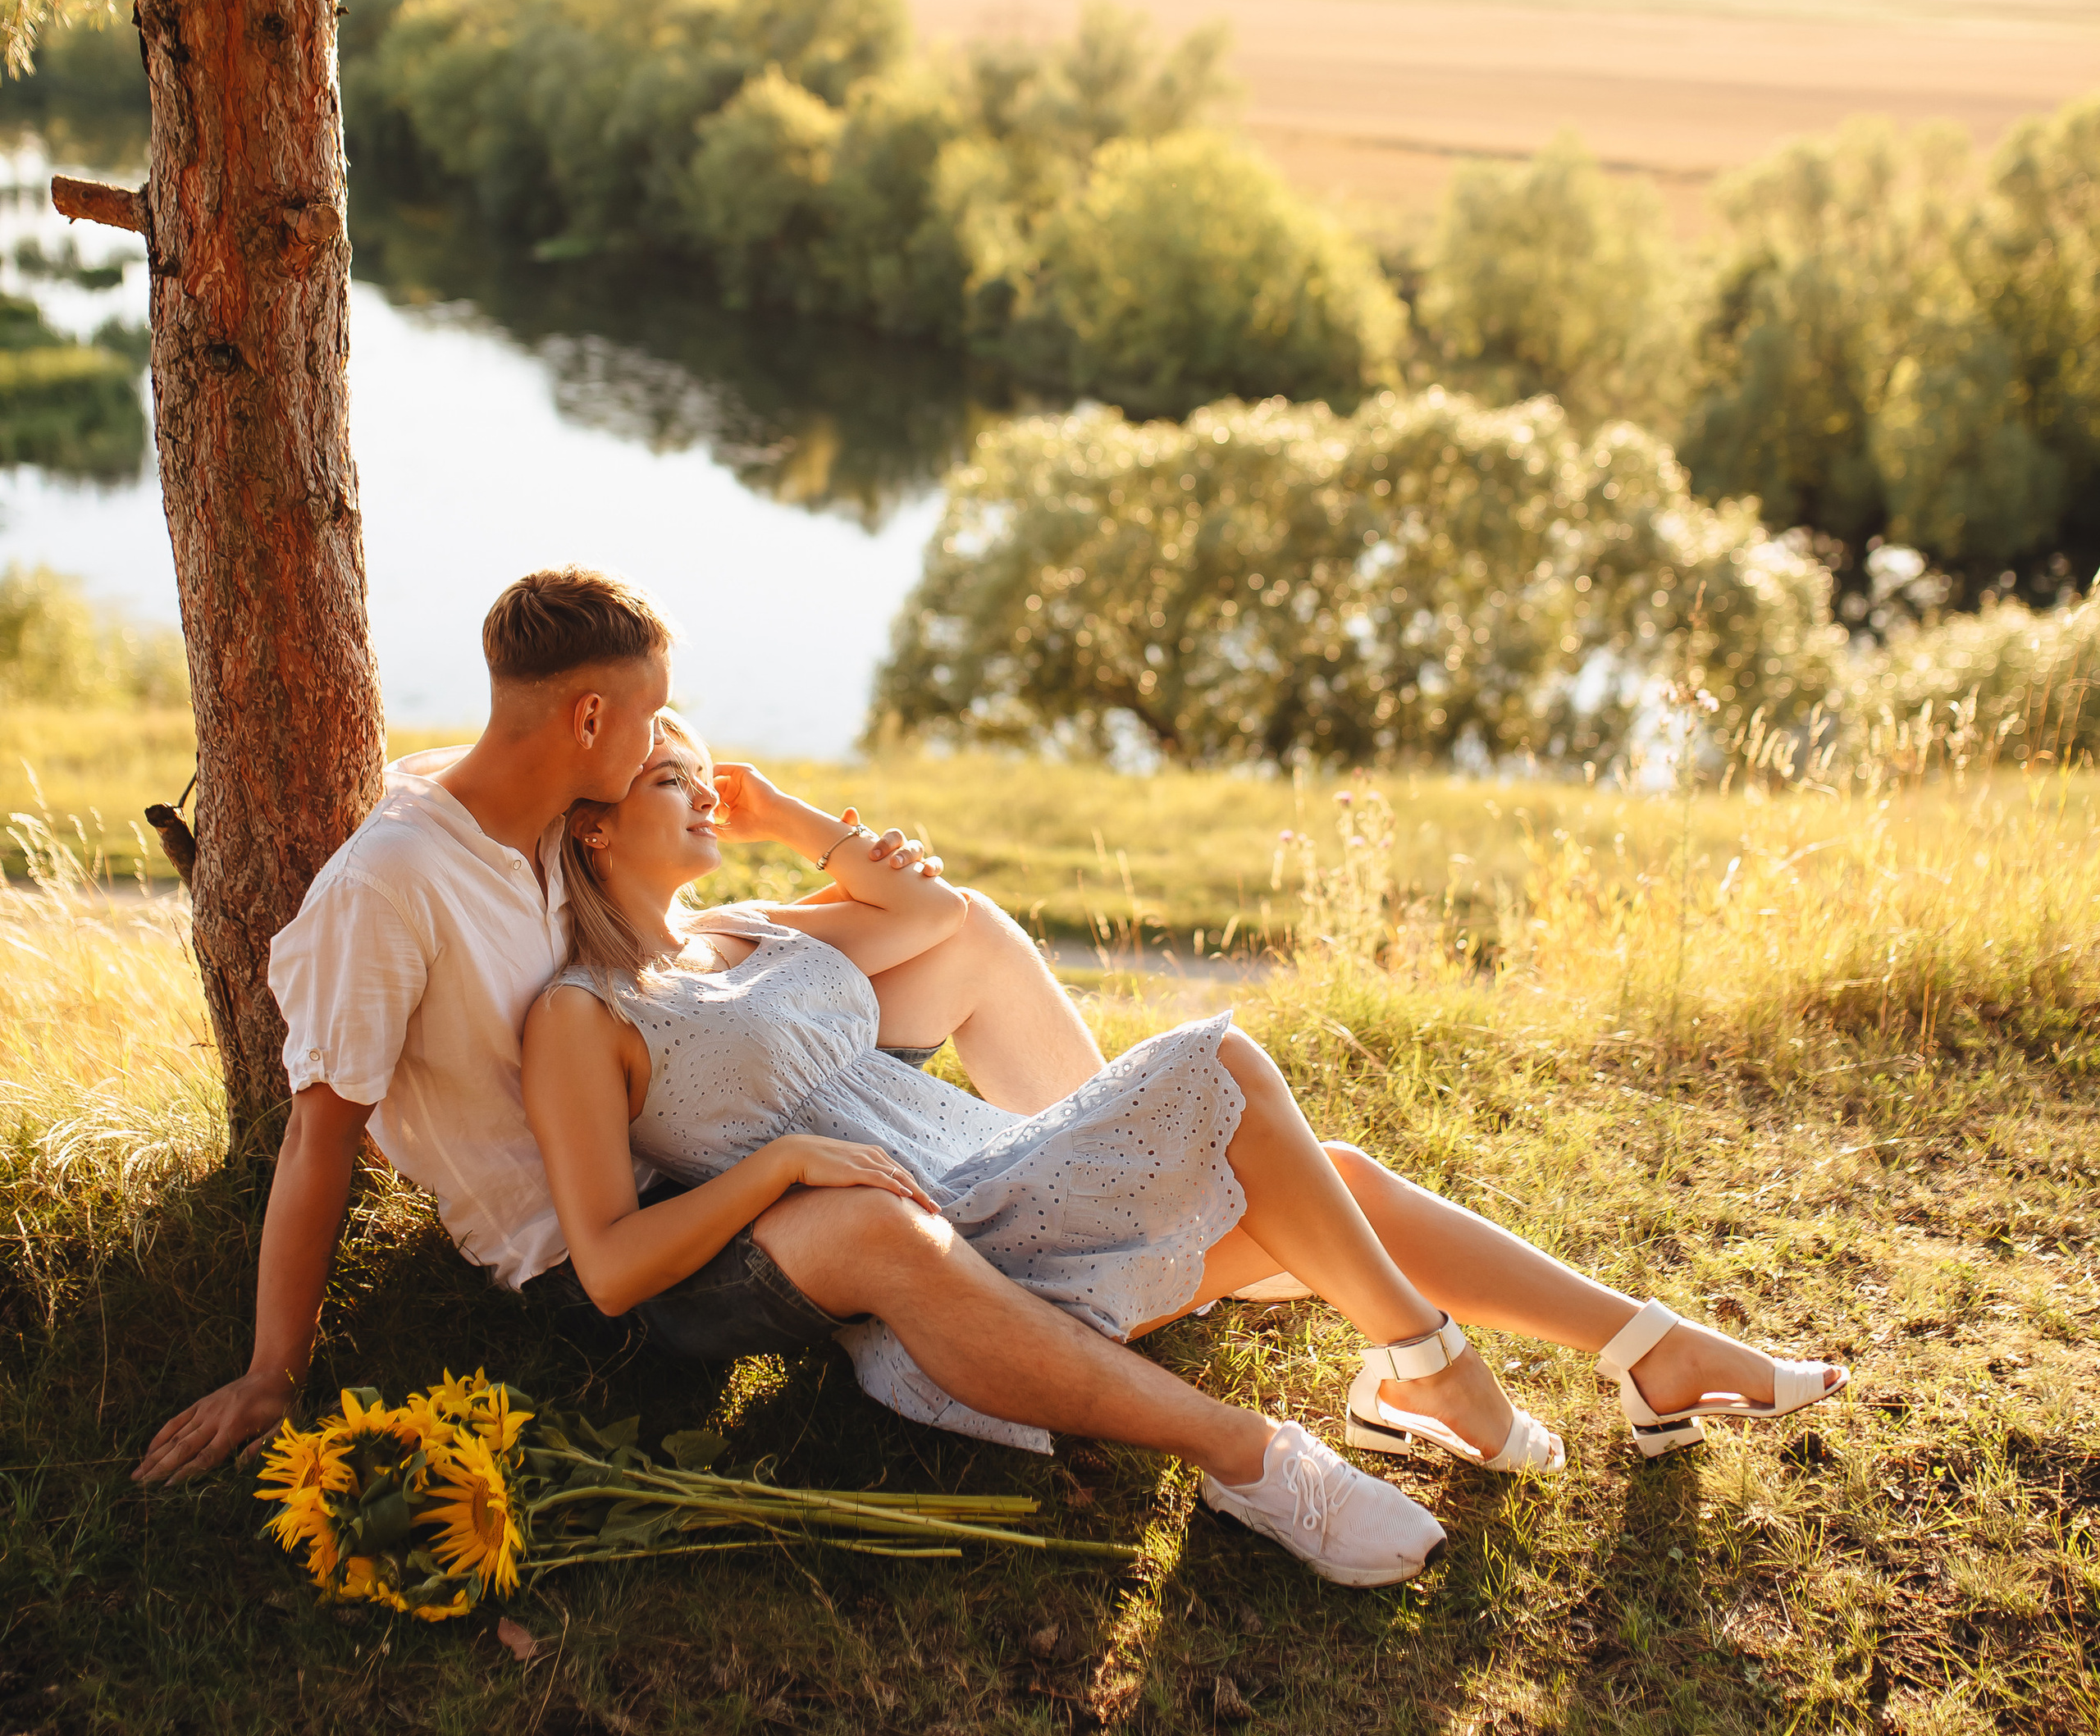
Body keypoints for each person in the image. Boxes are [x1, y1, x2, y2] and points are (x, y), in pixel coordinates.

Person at [519, 721, 1850, 1584]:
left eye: (699, 771)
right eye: (665, 778)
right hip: (954, 1221)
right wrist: (777, 1172)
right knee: (1219, 1068)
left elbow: (940, 911)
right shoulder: (587, 1013)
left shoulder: (749, 927)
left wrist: (790, 816)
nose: (699, 790)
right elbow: (611, 1262)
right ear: (588, 823)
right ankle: (1427, 1367)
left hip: (1000, 1157)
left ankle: (1643, 1349)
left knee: (1342, 1178)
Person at [132, 563, 1072, 1491]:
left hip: (690, 1107)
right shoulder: (391, 887)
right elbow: (318, 1134)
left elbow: (721, 904)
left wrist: (771, 819)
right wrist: (272, 1373)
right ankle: (1054, 1279)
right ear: (588, 719)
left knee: (970, 934)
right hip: (621, 1239)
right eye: (650, 713)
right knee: (878, 1216)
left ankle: (1110, 1154)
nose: (661, 734)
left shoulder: (546, 807)